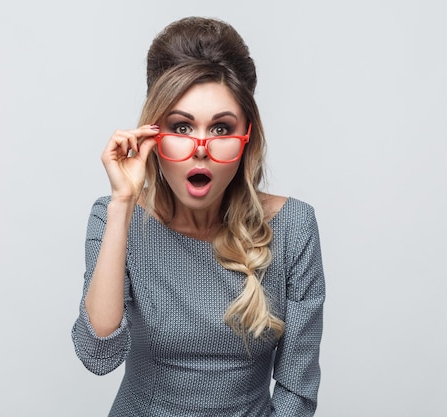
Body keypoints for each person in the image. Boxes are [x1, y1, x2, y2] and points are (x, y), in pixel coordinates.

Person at [72, 16, 325, 417]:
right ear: (153, 136)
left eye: (221, 128)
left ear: (247, 137)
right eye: (182, 126)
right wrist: (123, 203)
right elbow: (97, 355)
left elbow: (298, 385)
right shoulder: (114, 218)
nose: (201, 149)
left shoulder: (294, 227)